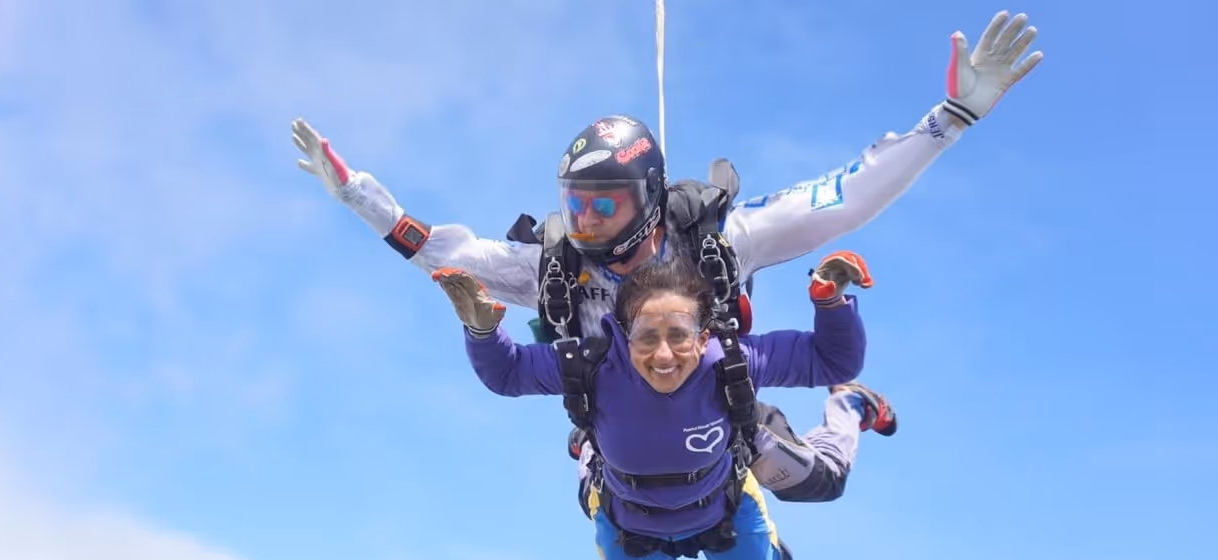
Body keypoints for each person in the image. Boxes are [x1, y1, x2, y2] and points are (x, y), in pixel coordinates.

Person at [291, 10, 1039, 500]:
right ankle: (596, 457)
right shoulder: (556, 268)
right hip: (621, 421)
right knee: (627, 513)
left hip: (718, 403)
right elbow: (449, 257)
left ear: (647, 196)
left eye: (603, 204)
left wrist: (954, 116)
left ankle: (849, 410)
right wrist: (360, 196)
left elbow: (846, 200)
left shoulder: (720, 242)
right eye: (574, 204)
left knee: (817, 485)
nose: (584, 225)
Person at [431, 249, 884, 560]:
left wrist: (830, 302)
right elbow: (509, 375)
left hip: (720, 507)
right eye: (647, 337)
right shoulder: (595, 366)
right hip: (628, 514)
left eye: (680, 335)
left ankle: (849, 404)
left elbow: (833, 361)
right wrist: (482, 330)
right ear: (624, 336)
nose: (663, 355)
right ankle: (593, 447)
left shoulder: (732, 360)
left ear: (704, 337)